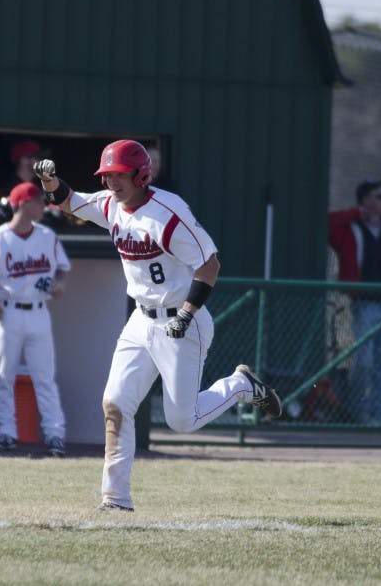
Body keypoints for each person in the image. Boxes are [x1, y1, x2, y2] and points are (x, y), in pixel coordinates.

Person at [34, 140, 282, 511]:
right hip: (140, 319)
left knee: (182, 421)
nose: (112, 183)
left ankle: (241, 386)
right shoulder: (110, 204)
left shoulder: (168, 212)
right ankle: (116, 500)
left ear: (140, 174)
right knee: (115, 404)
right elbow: (71, 201)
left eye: (119, 175)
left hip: (181, 320)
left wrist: (186, 313)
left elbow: (209, 264)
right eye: (107, 175)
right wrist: (51, 183)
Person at [0, 182, 71, 456]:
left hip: (38, 312)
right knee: (3, 378)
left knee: (45, 378)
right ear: (23, 204)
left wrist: (60, 284)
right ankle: (6, 433)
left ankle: (55, 434)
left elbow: (61, 270)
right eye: (37, 202)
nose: (42, 207)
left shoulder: (48, 236)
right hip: (6, 312)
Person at [328, 179, 381, 424]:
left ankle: (379, 415)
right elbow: (328, 224)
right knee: (364, 362)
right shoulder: (351, 230)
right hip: (364, 305)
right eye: (378, 197)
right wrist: (357, 213)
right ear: (365, 201)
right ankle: (357, 412)